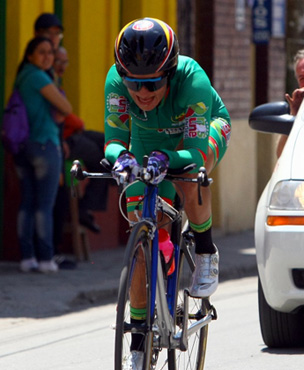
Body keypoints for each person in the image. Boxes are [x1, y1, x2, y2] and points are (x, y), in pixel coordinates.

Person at [104, 17, 231, 368]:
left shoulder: (192, 79)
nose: (142, 94)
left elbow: (192, 151)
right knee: (143, 243)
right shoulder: (115, 82)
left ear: (170, 73)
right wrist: (122, 158)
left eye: (153, 83)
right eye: (134, 84)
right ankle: (139, 342)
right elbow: (113, 143)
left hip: (196, 137)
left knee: (191, 176)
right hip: (148, 141)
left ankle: (205, 250)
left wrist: (169, 158)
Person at [13, 36, 72, 273]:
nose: (47, 56)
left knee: (27, 203)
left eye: (50, 52)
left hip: (25, 147)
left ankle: (27, 258)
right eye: (42, 52)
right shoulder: (37, 76)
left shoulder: (23, 76)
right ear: (30, 56)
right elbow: (67, 109)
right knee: (45, 205)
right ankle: (46, 258)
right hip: (45, 146)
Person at [53, 46, 108, 233]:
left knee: (107, 141)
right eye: (58, 61)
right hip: (65, 140)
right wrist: (77, 122)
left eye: (65, 61)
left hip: (73, 134)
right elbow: (63, 114)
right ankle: (85, 208)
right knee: (102, 161)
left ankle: (90, 206)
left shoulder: (56, 83)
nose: (62, 66)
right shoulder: (45, 83)